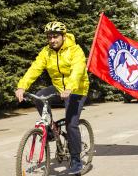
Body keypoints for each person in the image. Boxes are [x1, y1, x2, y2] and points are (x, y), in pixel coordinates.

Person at [15, 21, 89, 174]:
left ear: (63, 36)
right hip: (58, 87)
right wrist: (22, 86)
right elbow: (34, 69)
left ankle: (76, 160)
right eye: (49, 37)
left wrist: (70, 87)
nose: (52, 40)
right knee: (39, 96)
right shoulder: (46, 52)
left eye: (55, 36)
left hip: (77, 89)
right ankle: (49, 128)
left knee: (71, 124)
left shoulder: (75, 50)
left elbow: (78, 70)